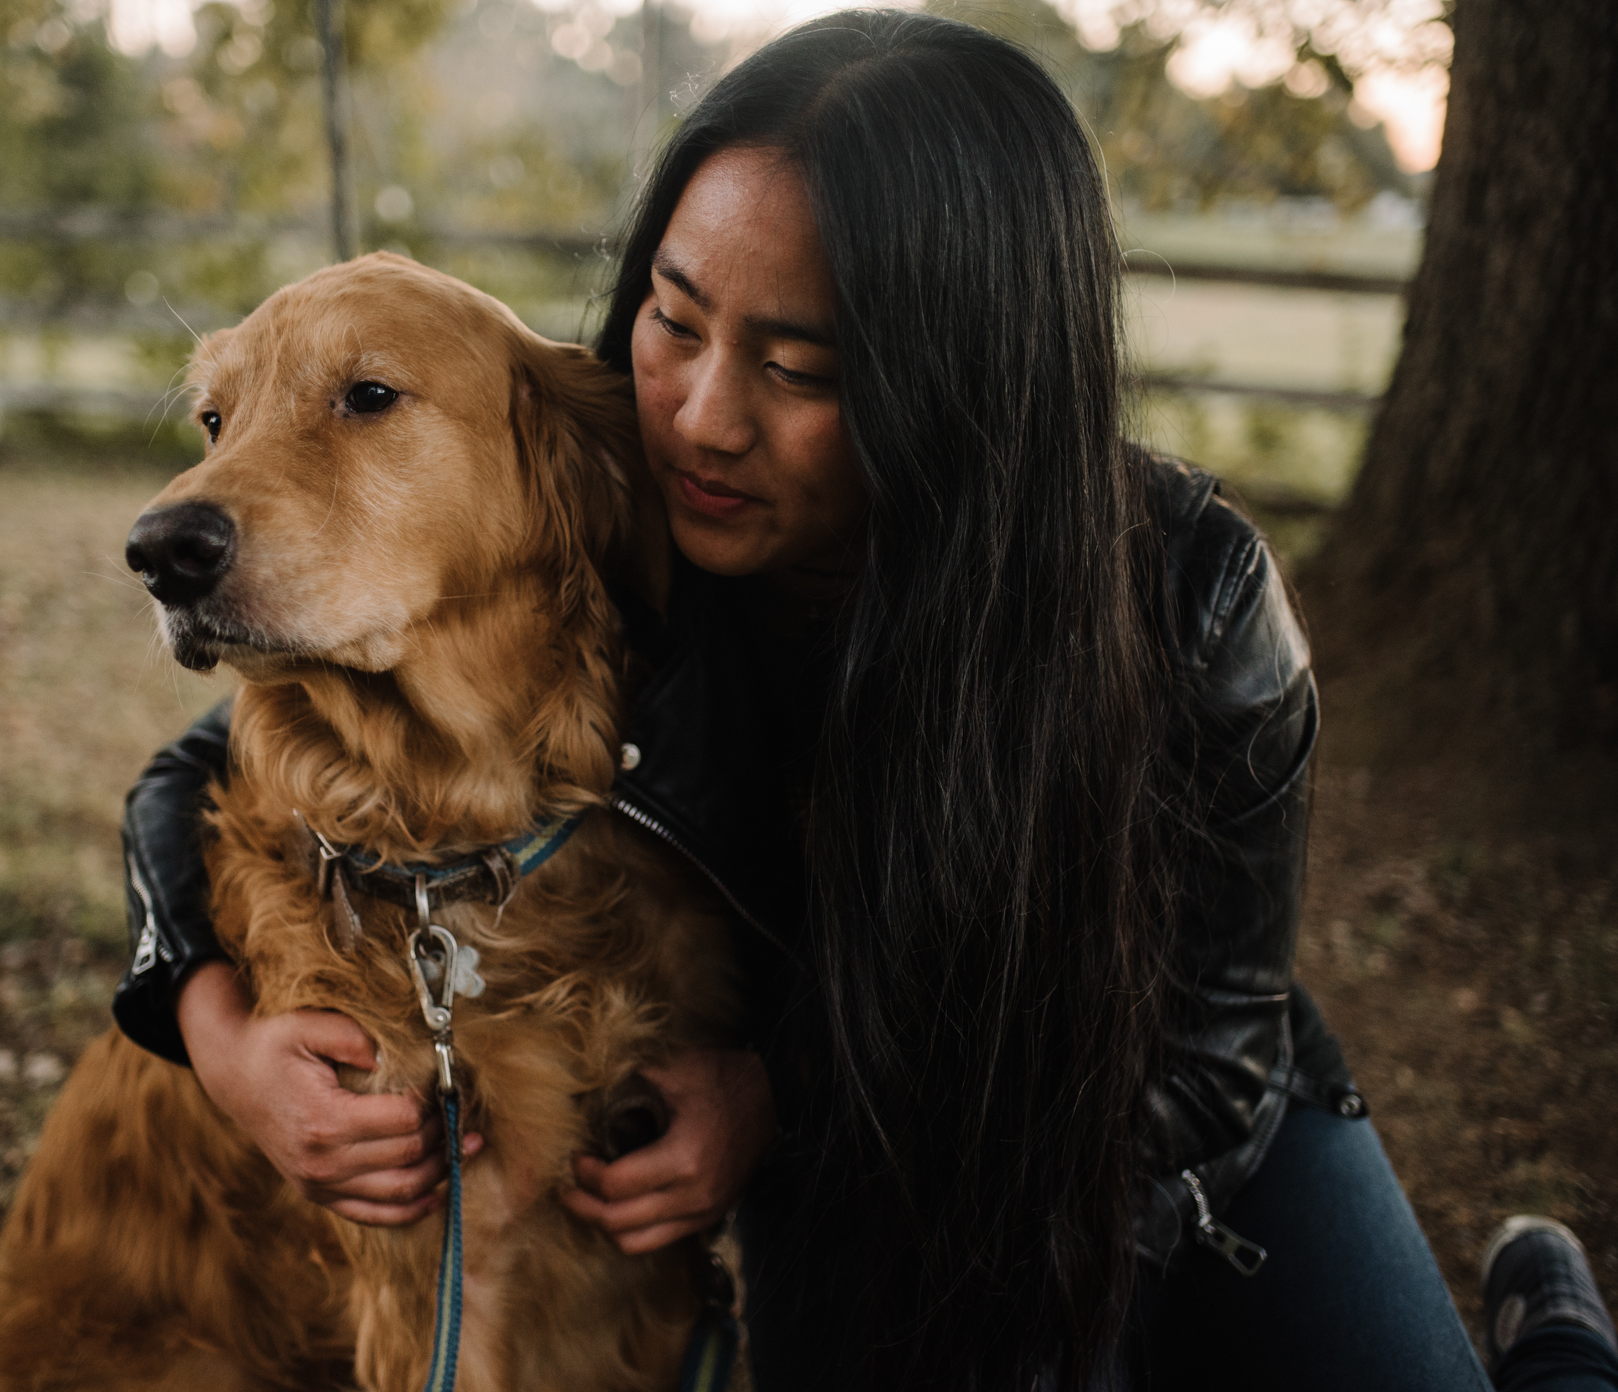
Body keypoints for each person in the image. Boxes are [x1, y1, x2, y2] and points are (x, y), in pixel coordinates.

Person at [107, 12, 1618, 1389]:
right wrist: (214, 1026)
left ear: (958, 380)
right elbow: (200, 775)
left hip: (1144, 1110)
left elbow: (1212, 1058)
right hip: (815, 1139)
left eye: (798, 366)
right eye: (676, 317)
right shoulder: (614, 518)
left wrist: (824, 1137)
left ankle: (1552, 1335)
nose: (700, 415)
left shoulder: (1191, 603)